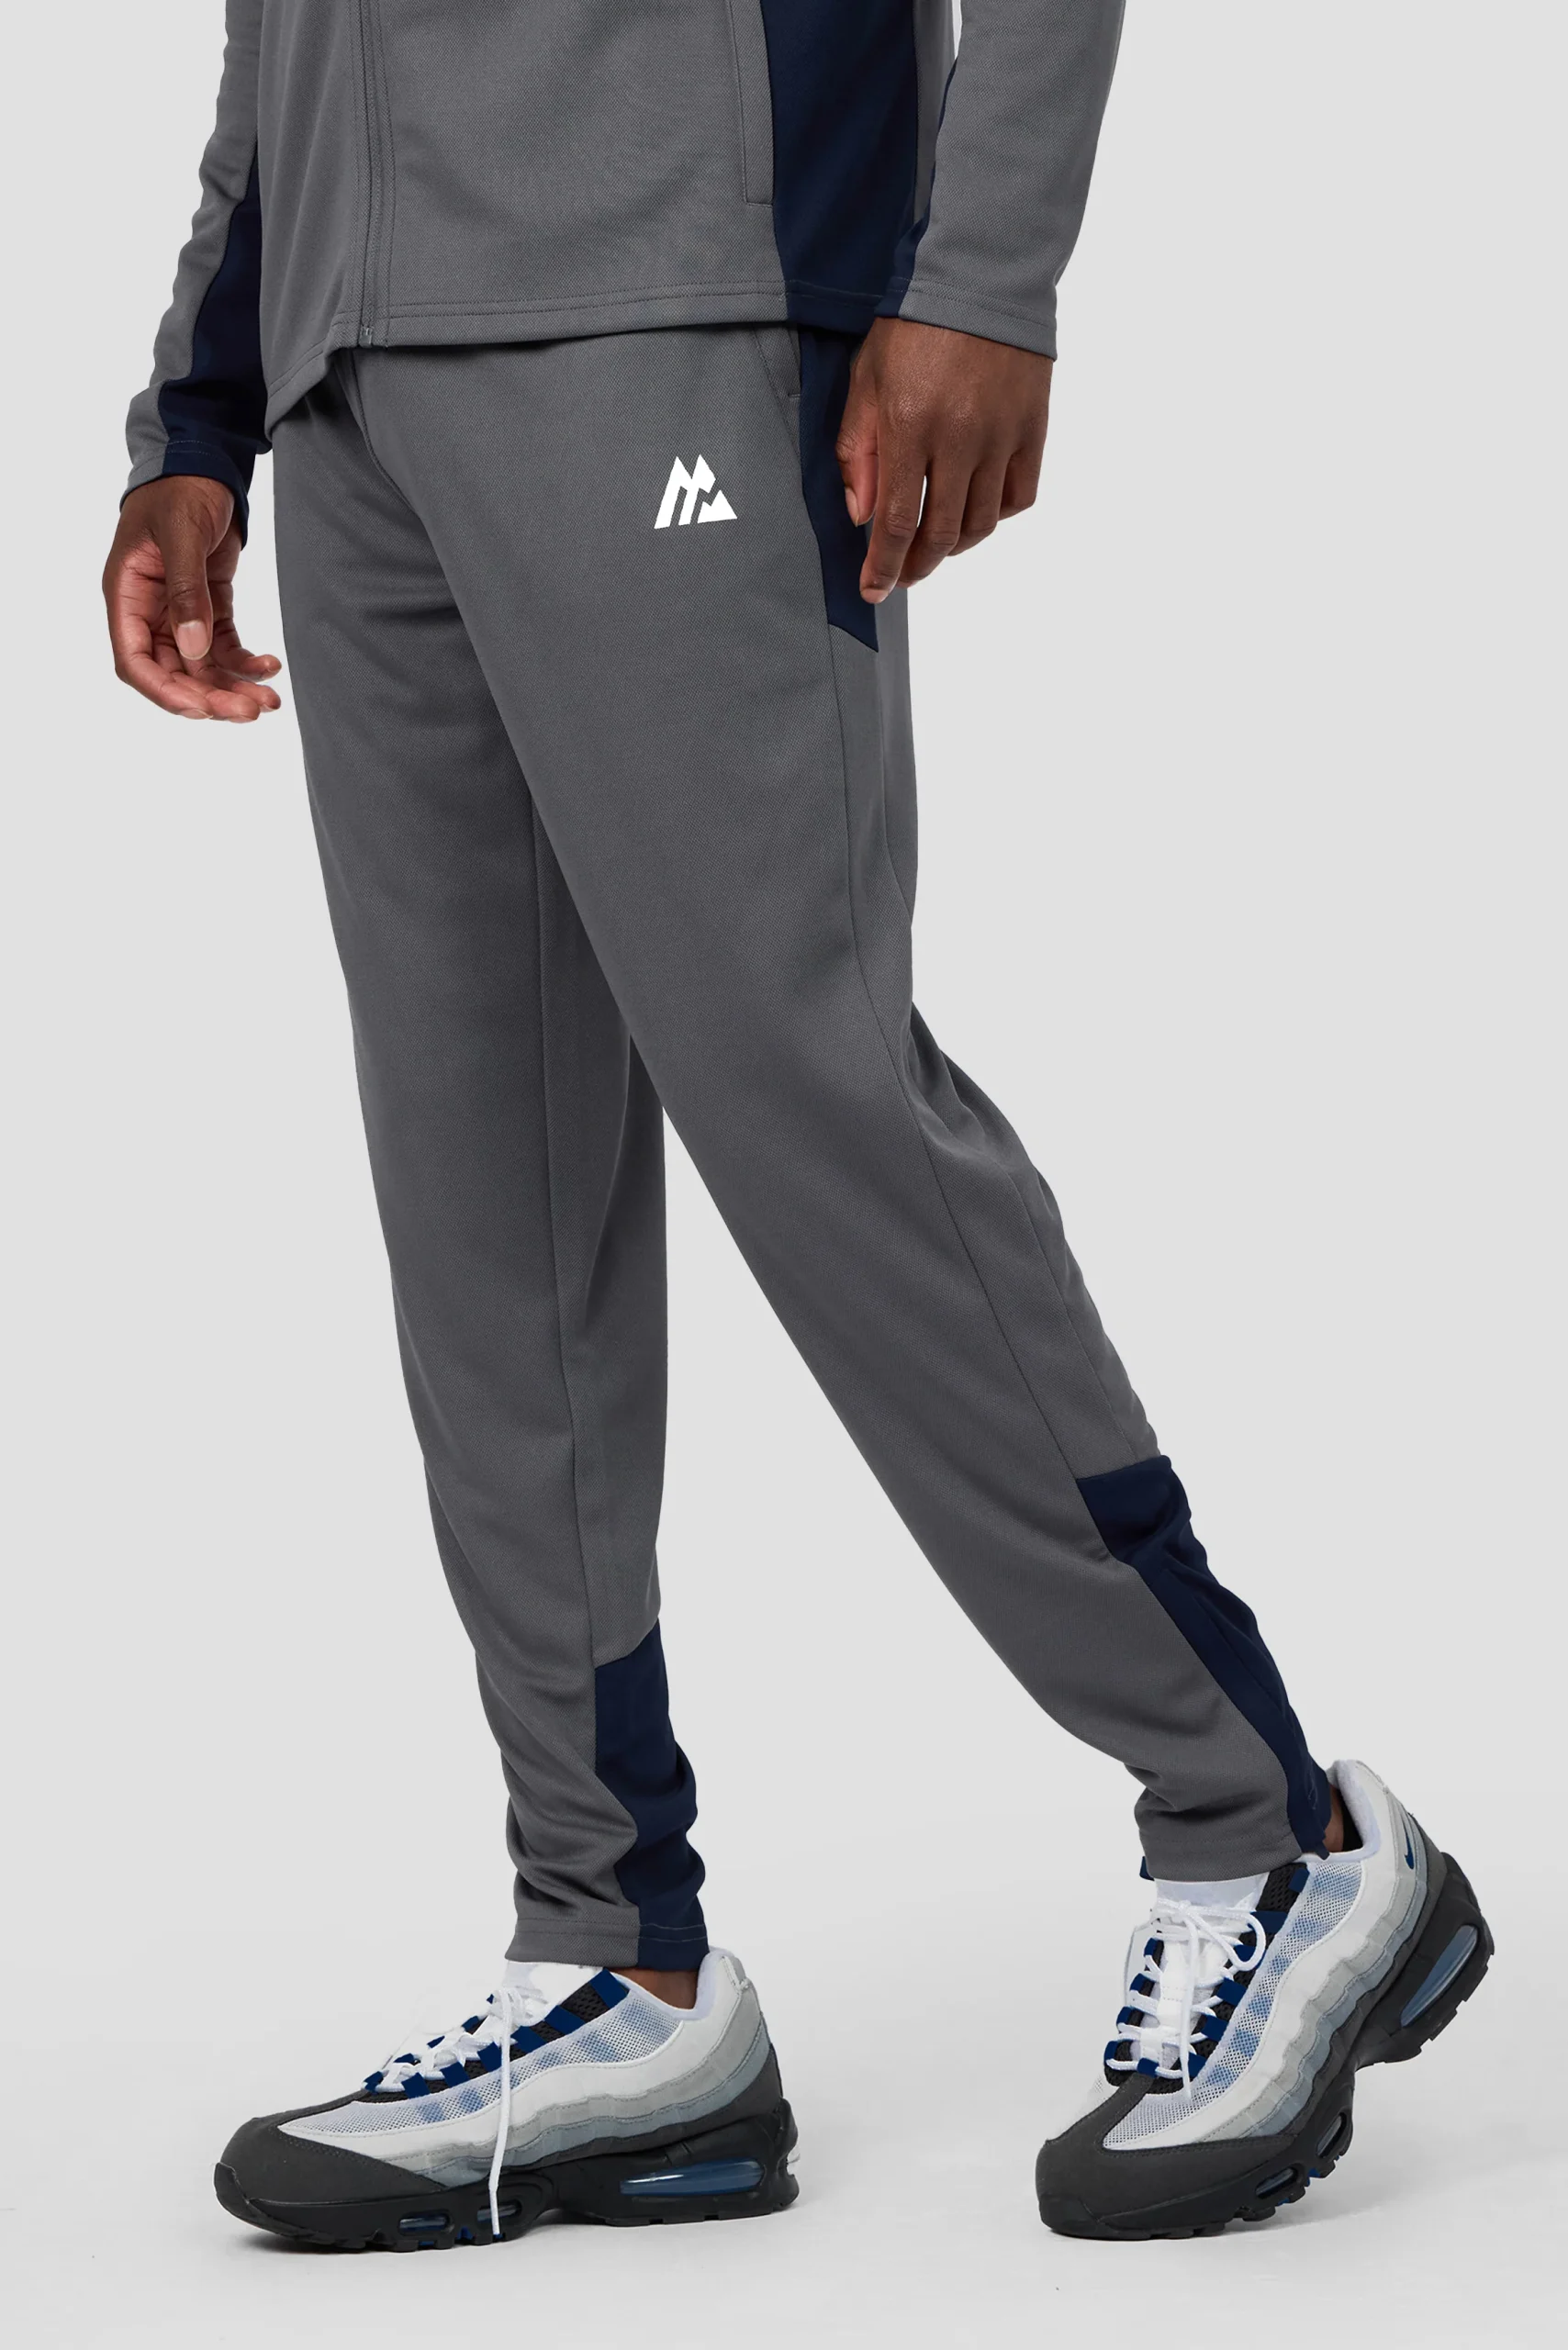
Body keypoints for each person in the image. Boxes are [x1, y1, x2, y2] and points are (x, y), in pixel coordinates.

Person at [105, 1, 1489, 2251]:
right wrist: (200, 397)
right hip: (352, 362)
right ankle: (612, 1961)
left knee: (808, 1097)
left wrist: (980, 273)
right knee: (477, 1182)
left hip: (683, 286)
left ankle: (1274, 1838)